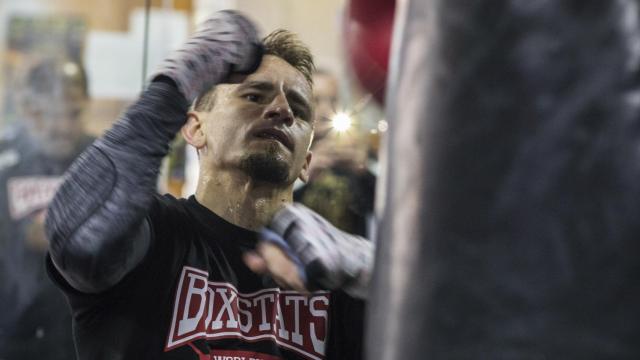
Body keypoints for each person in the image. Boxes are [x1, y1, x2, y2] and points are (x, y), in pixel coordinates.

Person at [45, 11, 364, 359]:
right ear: (196, 128)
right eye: (255, 96)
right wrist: (172, 89)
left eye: (299, 110)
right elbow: (81, 241)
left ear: (306, 162)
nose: (282, 110)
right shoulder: (157, 234)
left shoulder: (329, 271)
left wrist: (372, 273)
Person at [0, 58, 93, 359]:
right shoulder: (5, 161)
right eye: (51, 114)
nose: (63, 126)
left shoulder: (104, 161)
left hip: (82, 334)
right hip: (13, 333)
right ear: (30, 111)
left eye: (73, 113)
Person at [293, 70, 376, 238]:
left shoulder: (357, 149)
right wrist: (303, 174)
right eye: (316, 100)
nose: (326, 109)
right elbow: (268, 212)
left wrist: (365, 171)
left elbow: (381, 210)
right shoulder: (287, 151)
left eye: (333, 100)